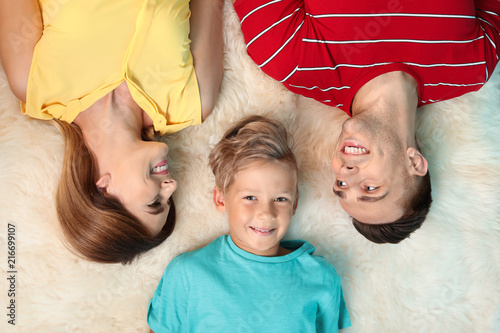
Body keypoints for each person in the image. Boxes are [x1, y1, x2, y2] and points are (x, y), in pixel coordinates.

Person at [233, 0, 500, 243]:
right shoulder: (474, 66)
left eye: (340, 186)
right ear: (414, 162)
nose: (345, 173)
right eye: (370, 188)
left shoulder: (290, 60)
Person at [0, 0, 223, 263]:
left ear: (104, 189)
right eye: (169, 200)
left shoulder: (32, 83)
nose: (171, 186)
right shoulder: (194, 100)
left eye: (155, 203)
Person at [147, 115, 351, 332]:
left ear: (295, 203)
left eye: (280, 199)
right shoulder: (187, 273)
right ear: (221, 199)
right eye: (250, 198)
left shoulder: (321, 276)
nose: (266, 214)